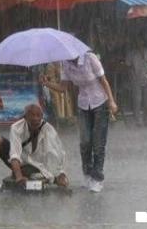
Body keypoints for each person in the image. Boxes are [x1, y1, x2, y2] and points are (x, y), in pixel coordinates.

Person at [40, 51, 118, 193]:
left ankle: (97, 178)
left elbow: (103, 81)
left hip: (100, 102)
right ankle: (87, 174)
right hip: (83, 105)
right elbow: (63, 88)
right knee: (85, 142)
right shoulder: (65, 64)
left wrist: (111, 101)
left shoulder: (90, 59)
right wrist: (47, 83)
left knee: (98, 143)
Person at [0, 104, 68, 191]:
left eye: (38, 115)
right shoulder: (16, 127)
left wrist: (62, 174)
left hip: (38, 165)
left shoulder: (48, 129)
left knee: (36, 173)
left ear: (42, 117)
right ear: (25, 118)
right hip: (20, 161)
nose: (35, 118)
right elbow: (14, 154)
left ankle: (24, 174)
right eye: (32, 115)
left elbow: (58, 153)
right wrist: (19, 177)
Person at [125, 35, 147, 126]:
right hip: (136, 80)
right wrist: (131, 76)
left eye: (140, 41)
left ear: (143, 42)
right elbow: (128, 66)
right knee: (137, 100)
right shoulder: (131, 53)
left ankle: (146, 119)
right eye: (137, 41)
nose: (138, 43)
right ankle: (137, 120)